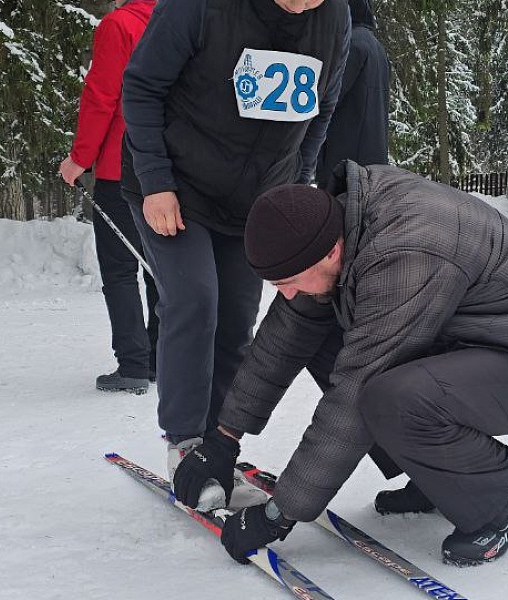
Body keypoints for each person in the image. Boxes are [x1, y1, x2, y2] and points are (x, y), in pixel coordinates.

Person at [171, 160, 508, 566]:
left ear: (328, 252)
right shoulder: (336, 225)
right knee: (329, 338)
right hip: (474, 344)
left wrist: (279, 513)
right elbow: (284, 335)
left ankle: (500, 494)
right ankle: (438, 475)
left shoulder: (407, 251)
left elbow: (357, 389)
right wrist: (223, 439)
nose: (284, 293)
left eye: (286, 282)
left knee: (389, 396)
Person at [120, 0, 351, 489]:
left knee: (237, 319)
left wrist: (299, 179)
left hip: (258, 198)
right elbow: (142, 86)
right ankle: (185, 442)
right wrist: (156, 181)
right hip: (176, 188)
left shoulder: (335, 17)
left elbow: (323, 106)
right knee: (194, 298)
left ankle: (218, 445)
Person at [59, 0, 159, 394]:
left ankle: (134, 364)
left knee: (120, 269)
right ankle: (160, 359)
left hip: (123, 166)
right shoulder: (181, 20)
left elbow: (102, 96)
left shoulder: (120, 25)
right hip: (171, 169)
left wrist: (79, 158)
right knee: (159, 267)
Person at [313, 0, 389, 188]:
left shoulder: (352, 44)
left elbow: (330, 97)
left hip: (344, 162)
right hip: (371, 162)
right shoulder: (376, 47)